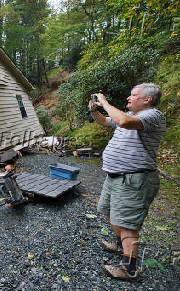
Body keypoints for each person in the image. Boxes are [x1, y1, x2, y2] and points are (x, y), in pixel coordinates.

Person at [88, 83, 166, 280]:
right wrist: (94, 110)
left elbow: (122, 121)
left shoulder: (153, 116)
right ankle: (119, 244)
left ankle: (129, 269)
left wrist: (104, 102)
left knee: (128, 224)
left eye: (133, 95)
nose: (128, 98)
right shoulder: (128, 116)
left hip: (134, 179)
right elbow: (106, 121)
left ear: (147, 100)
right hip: (115, 176)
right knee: (110, 212)